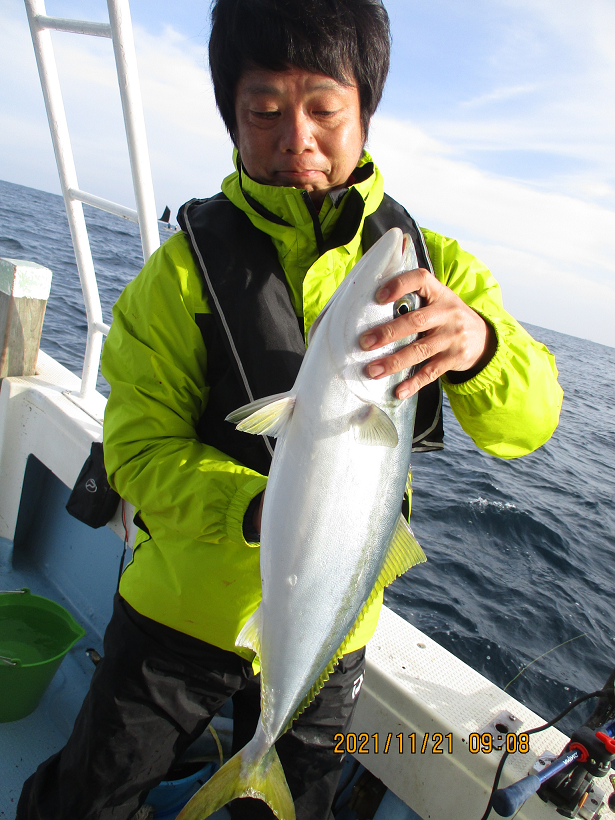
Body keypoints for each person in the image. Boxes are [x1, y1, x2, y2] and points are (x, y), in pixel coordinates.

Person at [17, 0, 563, 818]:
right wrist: (255, 507)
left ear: (366, 112)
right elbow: (134, 452)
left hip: (330, 632)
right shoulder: (176, 277)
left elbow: (531, 424)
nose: (296, 138)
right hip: (176, 615)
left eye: (324, 111)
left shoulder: (430, 269)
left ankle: (257, 764)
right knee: (87, 797)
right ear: (231, 119)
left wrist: (481, 348)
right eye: (264, 111)